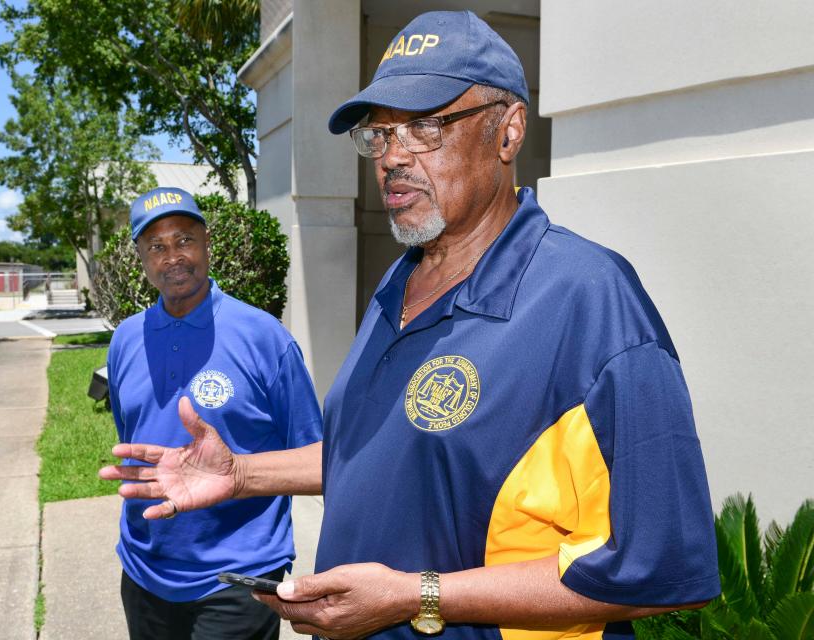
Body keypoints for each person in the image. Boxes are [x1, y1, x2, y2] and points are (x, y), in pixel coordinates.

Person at [101, 12, 720, 639]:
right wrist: (240, 476)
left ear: (507, 133)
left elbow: (659, 568)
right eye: (379, 135)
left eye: (425, 126)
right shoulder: (398, 284)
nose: (392, 156)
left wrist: (413, 598)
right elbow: (376, 455)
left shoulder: (589, 300)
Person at [105, 186, 323, 640]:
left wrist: (237, 474)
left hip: (238, 576)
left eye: (184, 239)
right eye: (156, 247)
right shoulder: (126, 340)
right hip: (145, 570)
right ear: (142, 259)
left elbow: (319, 460)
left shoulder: (264, 338)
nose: (172, 257)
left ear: (207, 242)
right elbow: (134, 434)